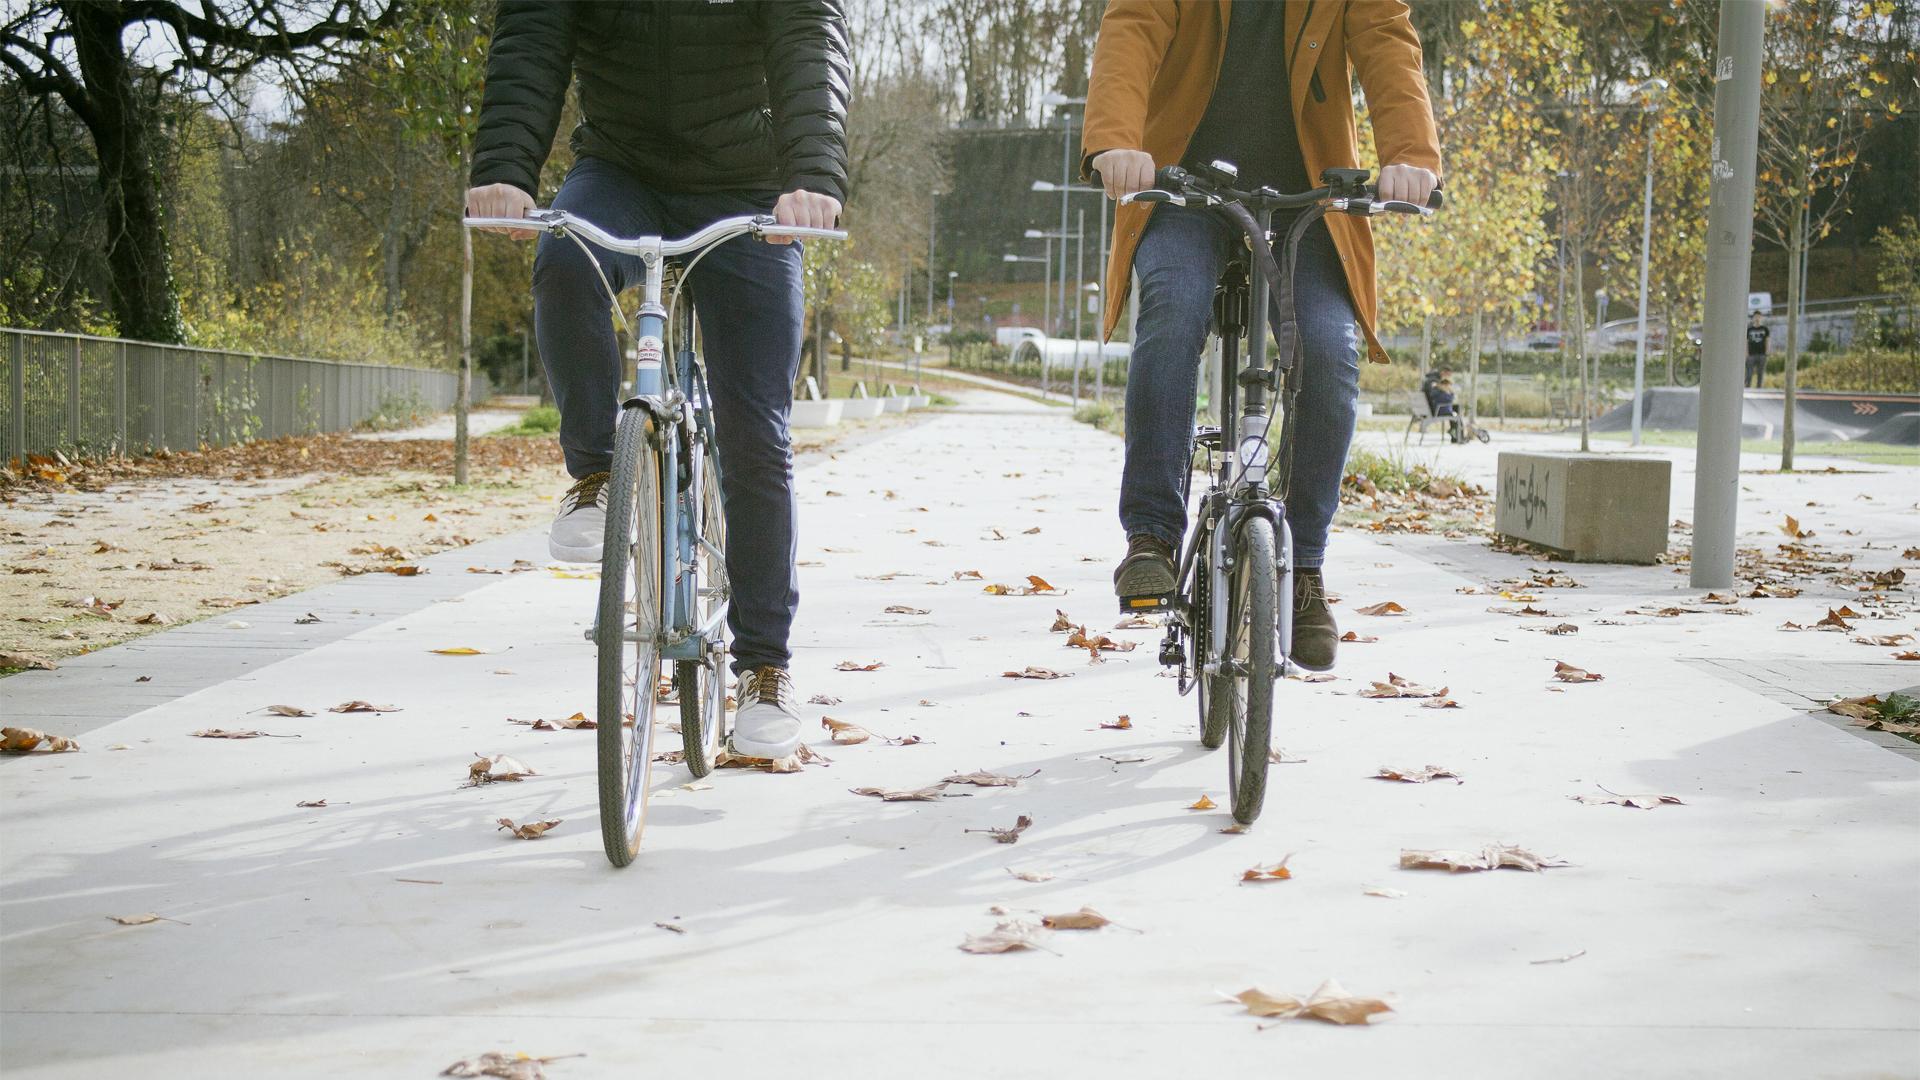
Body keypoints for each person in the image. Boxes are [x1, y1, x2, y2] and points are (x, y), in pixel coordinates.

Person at [465, 2, 850, 760]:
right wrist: (505, 169)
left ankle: (765, 667)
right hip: (620, 171)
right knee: (565, 265)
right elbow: (534, 36)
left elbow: (810, 38)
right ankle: (596, 473)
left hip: (748, 183)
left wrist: (811, 176)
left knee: (754, 430)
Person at [1085, 0, 1442, 671]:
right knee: (1172, 307)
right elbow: (1132, 26)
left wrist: (1410, 154)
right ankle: (1152, 540)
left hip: (1309, 196)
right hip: (1183, 185)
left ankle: (1302, 569)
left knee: (1330, 352)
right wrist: (1114, 140)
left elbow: (1387, 40)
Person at [1429, 376, 1463, 443]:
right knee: (1456, 418)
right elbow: (1449, 400)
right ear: (1443, 385)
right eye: (1447, 386)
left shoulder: (1439, 392)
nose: (1448, 388)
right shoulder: (1440, 393)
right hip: (1441, 411)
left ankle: (1455, 435)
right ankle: (1457, 436)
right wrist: (1451, 393)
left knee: (1456, 416)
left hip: (1443, 411)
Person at [1745, 312, 1770, 389]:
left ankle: (1759, 388)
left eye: (1759, 317)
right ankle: (1747, 387)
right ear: (1753, 318)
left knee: (1760, 373)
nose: (1757, 318)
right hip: (1751, 354)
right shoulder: (1749, 329)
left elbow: (1767, 340)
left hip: (1762, 354)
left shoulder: (1765, 329)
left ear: (1761, 317)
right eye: (1756, 317)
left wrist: (1767, 352)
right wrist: (1746, 352)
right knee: (1749, 373)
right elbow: (1746, 341)